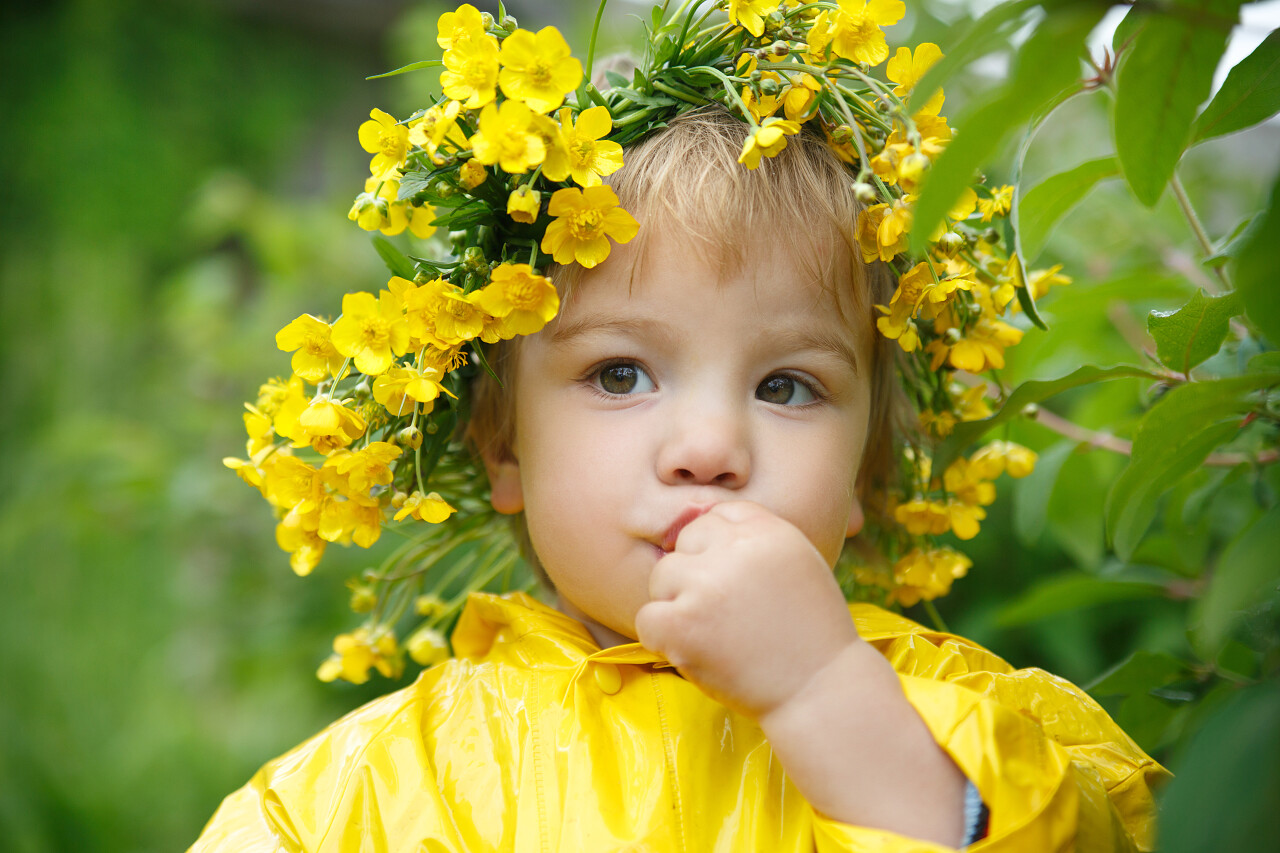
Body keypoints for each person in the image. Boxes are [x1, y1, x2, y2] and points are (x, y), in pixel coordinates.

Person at [191, 106, 1167, 852]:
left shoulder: (983, 725)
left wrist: (824, 692)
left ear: (863, 476)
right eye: (619, 374)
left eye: (785, 386)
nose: (707, 446)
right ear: (503, 448)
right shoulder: (362, 795)